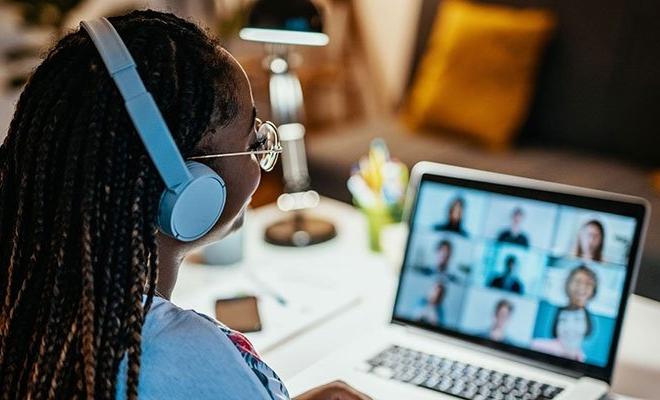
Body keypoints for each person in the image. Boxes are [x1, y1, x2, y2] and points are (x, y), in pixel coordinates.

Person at [0, 11, 369, 400]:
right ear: (188, 187)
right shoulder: (184, 353)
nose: (263, 156)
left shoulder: (30, 309)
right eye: (255, 140)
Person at [531, 265, 598, 362]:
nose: (582, 287)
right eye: (577, 282)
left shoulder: (581, 357)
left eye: (588, 284)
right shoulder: (537, 346)